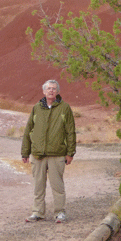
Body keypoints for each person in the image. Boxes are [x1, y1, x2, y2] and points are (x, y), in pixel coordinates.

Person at [21, 79, 76, 223]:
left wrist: (70, 153)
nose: (51, 90)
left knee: (57, 186)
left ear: (57, 92)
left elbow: (71, 132)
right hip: (38, 154)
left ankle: (60, 213)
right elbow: (28, 130)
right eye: (48, 88)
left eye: (54, 88)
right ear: (44, 91)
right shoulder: (37, 108)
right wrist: (25, 152)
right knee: (38, 185)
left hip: (57, 154)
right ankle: (37, 212)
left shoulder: (64, 108)